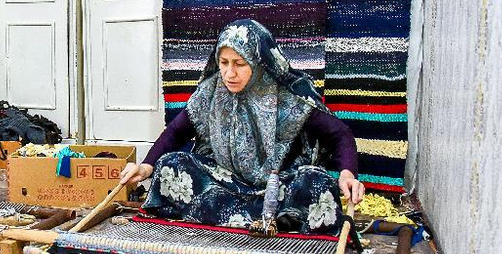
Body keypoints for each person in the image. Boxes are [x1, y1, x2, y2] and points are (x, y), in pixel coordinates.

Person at [119, 19, 364, 235]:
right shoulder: (211, 91)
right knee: (170, 164)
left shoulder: (288, 96)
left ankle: (247, 217)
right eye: (223, 62)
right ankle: (270, 221)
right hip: (223, 183)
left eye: (239, 63)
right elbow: (176, 131)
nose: (229, 73)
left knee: (316, 183)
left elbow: (340, 133)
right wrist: (146, 166)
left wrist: (347, 174)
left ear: (259, 62)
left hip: (277, 186)